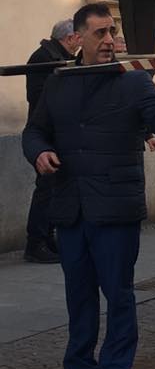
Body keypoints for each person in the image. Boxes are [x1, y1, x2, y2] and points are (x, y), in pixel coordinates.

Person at [22, 2, 155, 369]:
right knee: (78, 295)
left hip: (114, 205)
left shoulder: (133, 80)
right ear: (78, 38)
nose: (110, 41)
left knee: (119, 293)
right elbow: (35, 130)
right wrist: (39, 152)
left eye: (112, 32)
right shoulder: (59, 80)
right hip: (71, 204)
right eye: (100, 34)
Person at [23, 18, 81, 264]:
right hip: (47, 134)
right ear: (69, 38)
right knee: (46, 189)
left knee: (52, 189)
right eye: (79, 38)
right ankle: (36, 242)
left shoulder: (54, 54)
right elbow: (40, 97)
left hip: (55, 131)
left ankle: (47, 237)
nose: (80, 43)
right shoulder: (44, 58)